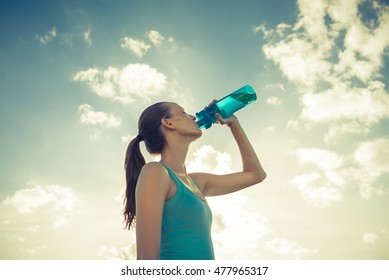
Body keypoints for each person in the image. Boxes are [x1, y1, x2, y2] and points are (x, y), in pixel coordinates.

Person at [123, 101, 266, 260]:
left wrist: (234, 124)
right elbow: (146, 260)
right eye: (183, 112)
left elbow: (255, 175)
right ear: (168, 122)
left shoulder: (197, 182)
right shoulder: (155, 172)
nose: (192, 116)